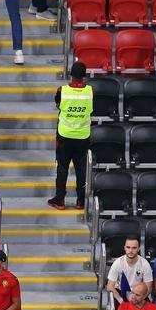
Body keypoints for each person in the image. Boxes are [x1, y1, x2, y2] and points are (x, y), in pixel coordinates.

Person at [48, 61, 91, 211]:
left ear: (71, 74)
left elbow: (58, 104)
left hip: (65, 136)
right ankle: (81, 201)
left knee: (62, 168)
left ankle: (59, 200)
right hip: (83, 137)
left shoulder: (62, 90)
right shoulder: (91, 92)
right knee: (80, 170)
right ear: (84, 76)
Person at [106, 237, 152, 307]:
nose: (130, 250)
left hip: (139, 295)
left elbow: (149, 288)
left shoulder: (144, 264)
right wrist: (121, 301)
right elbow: (110, 286)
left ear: (138, 249)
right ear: (124, 248)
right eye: (128, 247)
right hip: (121, 293)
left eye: (134, 248)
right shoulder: (118, 263)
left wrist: (137, 300)